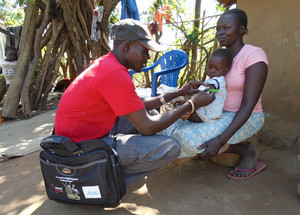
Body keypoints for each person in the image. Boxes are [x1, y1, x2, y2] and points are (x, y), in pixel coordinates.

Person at [54, 18, 215, 187]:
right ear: (127, 46)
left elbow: (138, 104)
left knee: (151, 114)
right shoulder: (115, 73)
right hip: (78, 149)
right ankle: (106, 181)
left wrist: (180, 92)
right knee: (170, 147)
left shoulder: (106, 64)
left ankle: (109, 169)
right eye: (145, 51)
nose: (147, 57)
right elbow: (147, 128)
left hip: (76, 140)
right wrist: (191, 105)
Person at [162, 9, 268, 179]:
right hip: (215, 115)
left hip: (247, 116)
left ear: (241, 29)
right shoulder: (219, 58)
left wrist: (220, 140)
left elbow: (248, 105)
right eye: (218, 29)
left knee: (192, 142)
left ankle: (247, 151)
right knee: (167, 129)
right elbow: (211, 93)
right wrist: (190, 104)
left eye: (226, 28)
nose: (220, 32)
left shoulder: (253, 55)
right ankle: (228, 148)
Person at [183, 48, 233, 123]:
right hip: (208, 112)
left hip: (206, 114)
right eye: (210, 67)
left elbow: (209, 90)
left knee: (182, 109)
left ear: (227, 69)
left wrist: (198, 87)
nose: (212, 70)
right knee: (182, 107)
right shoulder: (213, 79)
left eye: (217, 68)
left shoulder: (218, 80)